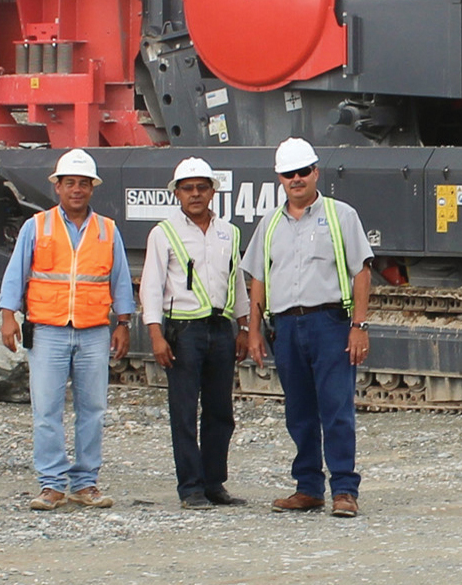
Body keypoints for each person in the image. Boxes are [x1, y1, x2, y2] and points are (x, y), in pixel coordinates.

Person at [241, 138, 373, 519]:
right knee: (299, 411)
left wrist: (358, 326)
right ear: (280, 178)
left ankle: (344, 490)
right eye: (289, 174)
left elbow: (360, 272)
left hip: (329, 323)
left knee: (336, 409)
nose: (296, 179)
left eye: (303, 172)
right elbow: (259, 280)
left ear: (316, 172)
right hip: (286, 326)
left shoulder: (340, 215)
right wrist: (253, 331)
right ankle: (308, 488)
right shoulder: (269, 225)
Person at [0, 149, 136, 511]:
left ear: (92, 188)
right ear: (57, 187)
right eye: (70, 183)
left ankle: (85, 483)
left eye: (83, 183)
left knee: (92, 408)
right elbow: (17, 272)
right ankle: (51, 484)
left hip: (92, 331)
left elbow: (120, 279)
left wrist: (123, 323)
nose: (77, 189)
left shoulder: (107, 230)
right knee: (47, 409)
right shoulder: (37, 226)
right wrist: (8, 314)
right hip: (48, 330)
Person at [139, 157, 250, 510]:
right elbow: (152, 286)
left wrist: (244, 327)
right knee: (185, 411)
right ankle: (190, 487)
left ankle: (214, 482)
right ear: (177, 194)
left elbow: (238, 282)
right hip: (183, 330)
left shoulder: (228, 232)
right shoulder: (164, 233)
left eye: (202, 187)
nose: (196, 194)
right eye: (188, 189)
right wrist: (156, 335)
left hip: (220, 328)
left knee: (220, 411)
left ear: (213, 191)